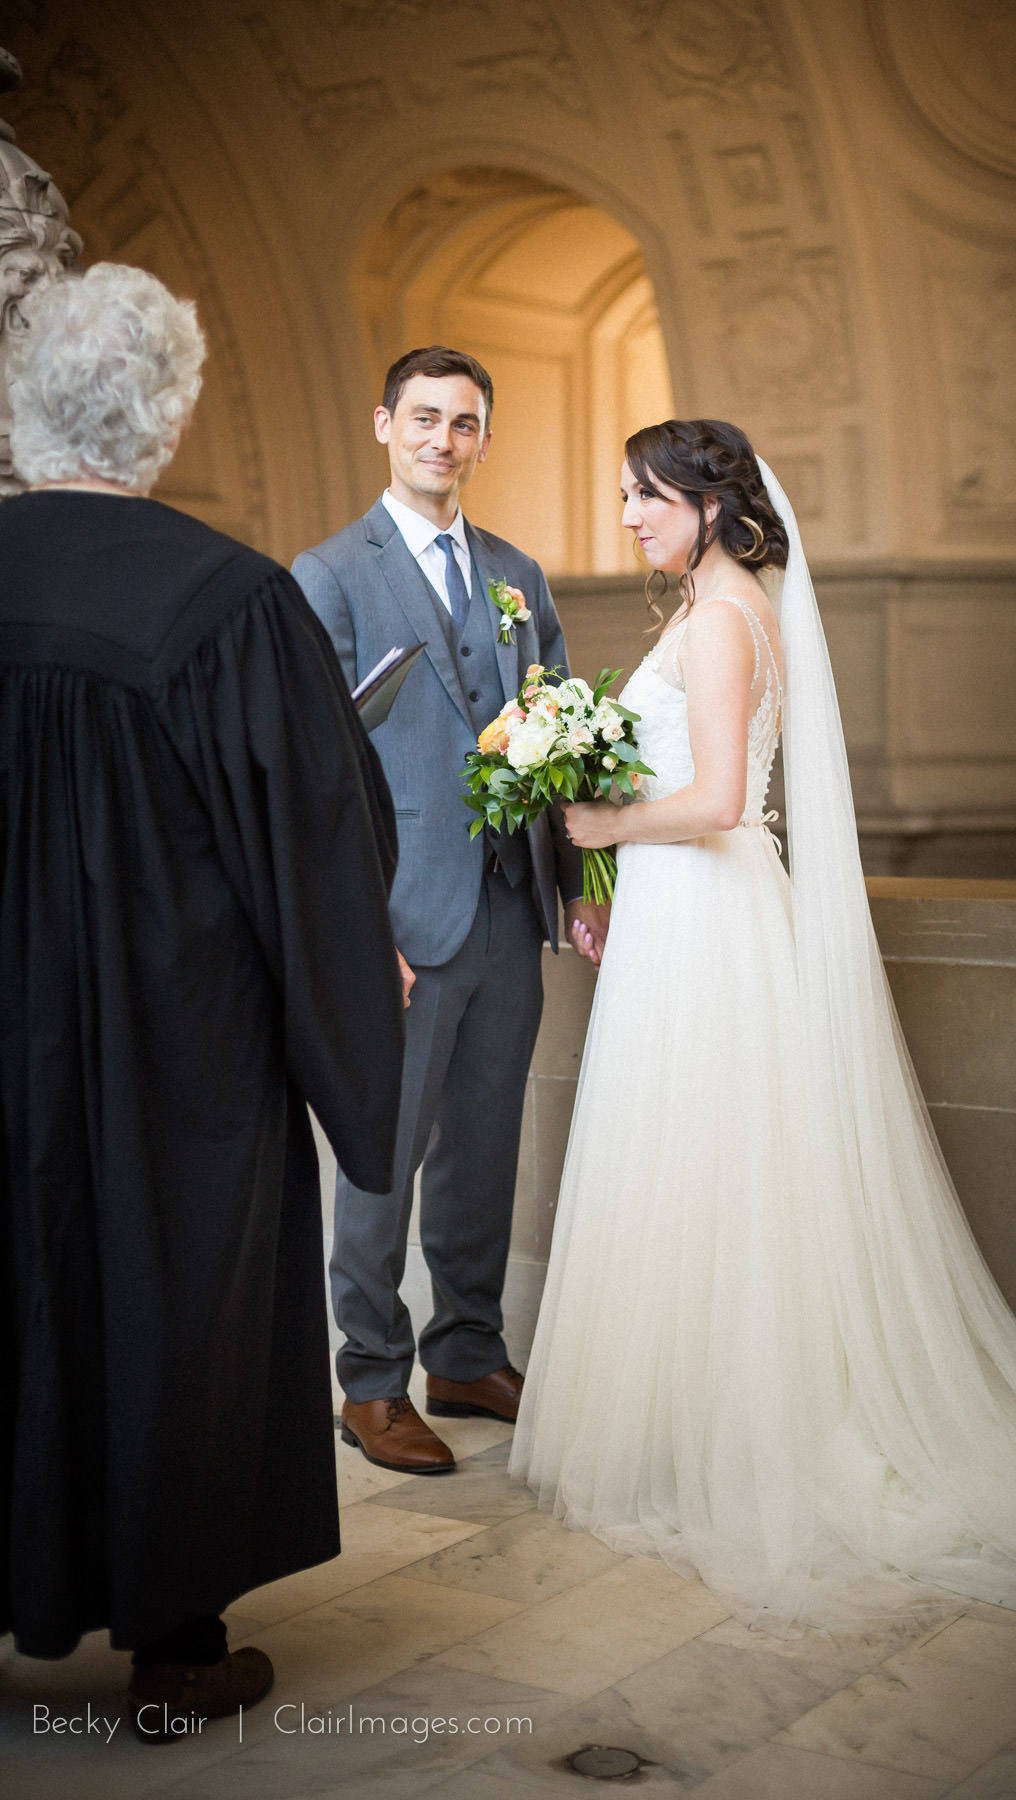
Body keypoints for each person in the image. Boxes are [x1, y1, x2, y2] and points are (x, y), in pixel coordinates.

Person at [511, 417, 1016, 1635]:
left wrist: (607, 831)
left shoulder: (723, 621)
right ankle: (695, 1423)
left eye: (645, 497)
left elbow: (722, 799)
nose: (627, 515)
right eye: (626, 494)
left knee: (721, 1170)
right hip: (684, 919)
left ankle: (746, 1445)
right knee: (695, 1169)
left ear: (710, 506)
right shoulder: (699, 610)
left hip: (715, 926)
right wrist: (618, 865)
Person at [0, 263, 406, 1735]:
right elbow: (320, 840)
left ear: (19, 403)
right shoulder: (231, 603)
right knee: (169, 1304)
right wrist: (354, 1038)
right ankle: (174, 1647)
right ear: (168, 418)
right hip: (176, 1062)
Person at [292, 347, 604, 1477]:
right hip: (397, 923)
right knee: (380, 1156)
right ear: (383, 424)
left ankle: (466, 1352)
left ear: (482, 438)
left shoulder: (519, 572)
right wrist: (352, 929)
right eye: (422, 418)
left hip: (508, 910)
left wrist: (578, 891)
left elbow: (563, 733)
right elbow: (313, 777)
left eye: (463, 423)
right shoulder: (328, 574)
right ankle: (368, 1381)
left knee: (483, 1145)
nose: (442, 439)